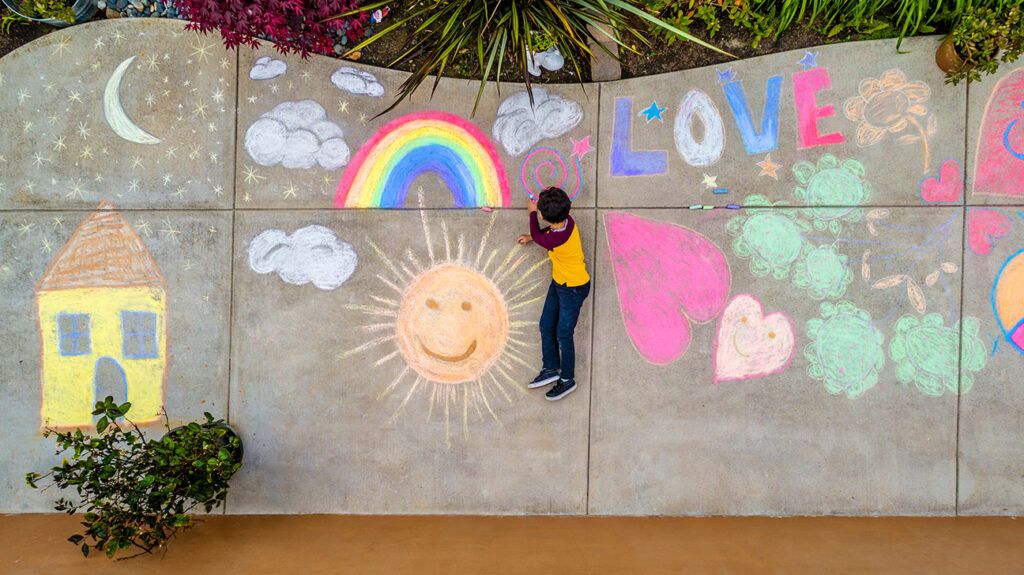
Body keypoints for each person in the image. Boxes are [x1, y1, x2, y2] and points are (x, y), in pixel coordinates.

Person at [516, 187, 590, 401]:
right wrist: (532, 237)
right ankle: (550, 367)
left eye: (539, 210)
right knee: (546, 325)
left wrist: (531, 213)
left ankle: (567, 379)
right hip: (560, 282)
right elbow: (543, 235)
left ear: (544, 216)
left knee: (563, 334)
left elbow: (543, 237)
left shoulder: (553, 239)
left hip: (573, 288)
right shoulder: (567, 221)